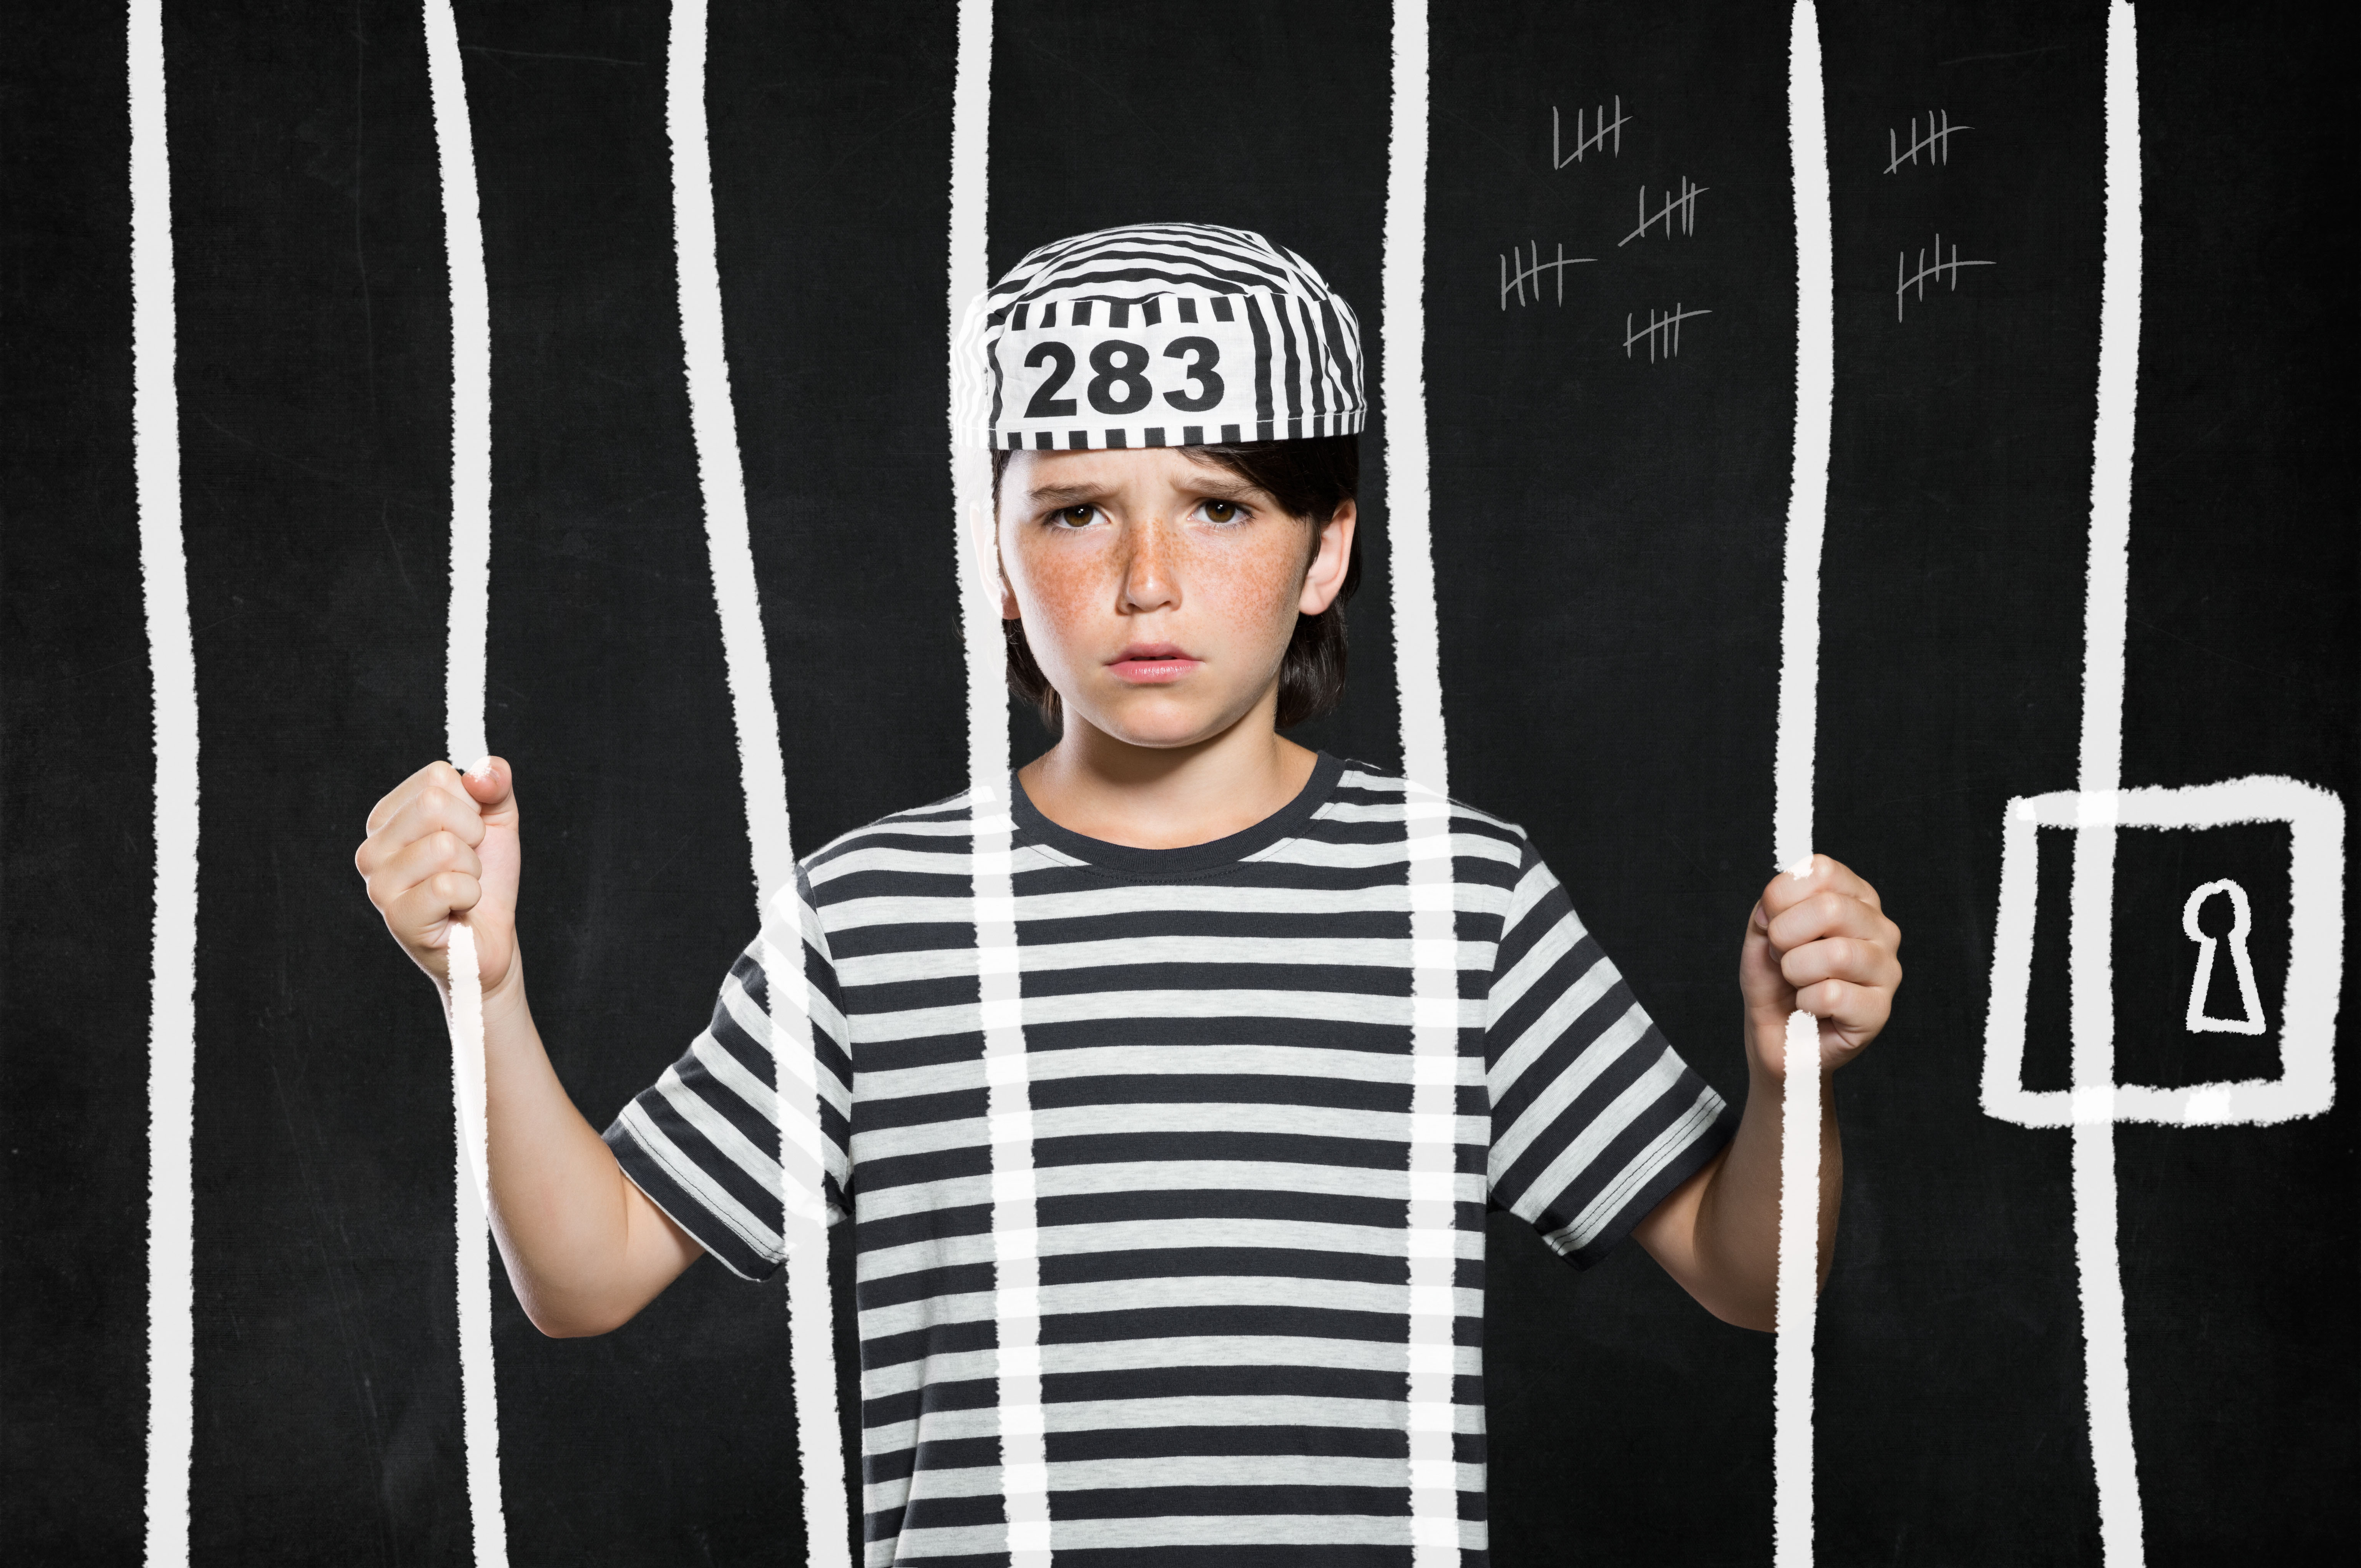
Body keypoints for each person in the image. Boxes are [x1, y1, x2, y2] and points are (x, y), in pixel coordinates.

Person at [355, 223, 1902, 1564]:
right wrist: (481, 991)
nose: (1146, 580)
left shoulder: (1462, 897)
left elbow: (1749, 1278)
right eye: (1078, 510)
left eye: (1221, 507)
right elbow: (585, 1276)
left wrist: (1790, 1084)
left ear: (1325, 551)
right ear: (998, 553)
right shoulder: (874, 912)